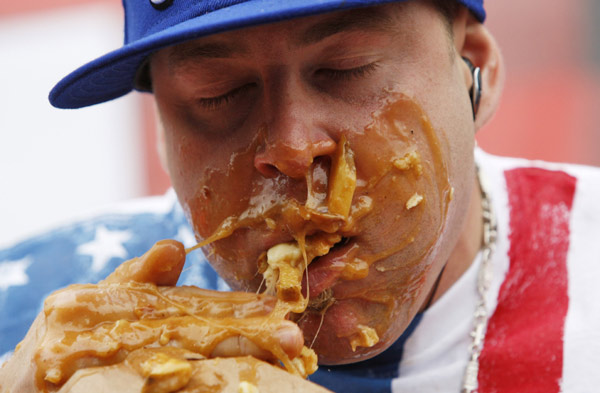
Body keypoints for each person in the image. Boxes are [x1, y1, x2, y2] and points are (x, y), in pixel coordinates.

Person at [1, 0, 599, 392]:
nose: (290, 148)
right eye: (219, 92)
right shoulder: (35, 326)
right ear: (161, 132)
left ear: (476, 71)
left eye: (346, 67)